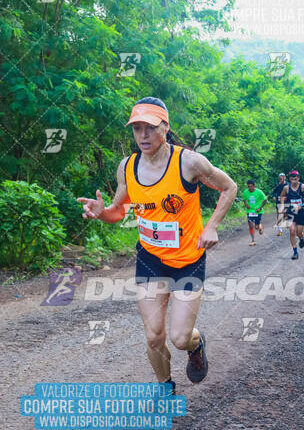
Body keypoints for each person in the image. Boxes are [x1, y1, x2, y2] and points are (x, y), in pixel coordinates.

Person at [77, 97, 237, 390]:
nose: (143, 136)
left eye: (150, 128)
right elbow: (118, 210)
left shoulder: (189, 162)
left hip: (188, 258)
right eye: (137, 129)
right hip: (151, 257)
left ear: (165, 127)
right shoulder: (127, 167)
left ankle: (196, 346)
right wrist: (102, 214)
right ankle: (165, 387)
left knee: (179, 337)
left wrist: (212, 226)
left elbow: (229, 186)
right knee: (153, 335)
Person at [279, 170, 304, 260]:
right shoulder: (286, 188)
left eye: (296, 177)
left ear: (298, 178)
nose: (294, 179)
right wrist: (282, 205)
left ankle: (301, 238)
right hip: (291, 211)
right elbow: (281, 196)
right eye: (292, 178)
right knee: (292, 230)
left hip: (301, 212)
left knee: (298, 231)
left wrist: (301, 205)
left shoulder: (303, 187)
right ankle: (295, 252)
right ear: (290, 179)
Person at [243, 180, 267, 246]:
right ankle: (253, 240)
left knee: (256, 227)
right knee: (250, 225)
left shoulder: (259, 192)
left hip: (258, 211)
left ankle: (260, 226)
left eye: (251, 186)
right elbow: (244, 200)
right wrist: (246, 205)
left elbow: (265, 199)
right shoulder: (245, 192)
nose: (250, 188)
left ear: (254, 186)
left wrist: (260, 207)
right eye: (248, 187)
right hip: (250, 211)